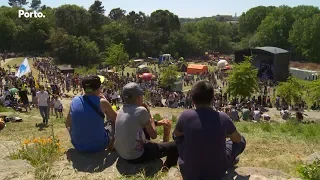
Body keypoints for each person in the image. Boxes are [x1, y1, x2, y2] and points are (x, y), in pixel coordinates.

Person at [173, 81, 246, 180]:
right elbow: (237, 139)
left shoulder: (185, 116)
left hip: (188, 173)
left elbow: (176, 134)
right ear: (213, 98)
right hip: (216, 173)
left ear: (193, 99)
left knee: (178, 137)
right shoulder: (223, 118)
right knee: (241, 140)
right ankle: (230, 160)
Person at [114, 82, 178, 170]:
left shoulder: (121, 109)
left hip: (122, 153)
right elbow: (154, 135)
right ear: (139, 97)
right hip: (136, 156)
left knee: (157, 145)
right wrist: (149, 114)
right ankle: (166, 169)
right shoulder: (141, 110)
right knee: (174, 146)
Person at [65, 75, 117, 153]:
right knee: (113, 123)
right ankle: (110, 148)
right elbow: (116, 118)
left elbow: (68, 123)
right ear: (98, 88)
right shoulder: (102, 102)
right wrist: (106, 101)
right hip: (99, 146)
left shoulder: (75, 100)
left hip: (78, 145)